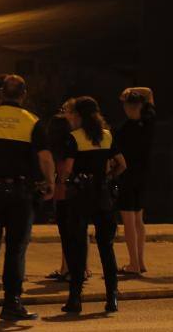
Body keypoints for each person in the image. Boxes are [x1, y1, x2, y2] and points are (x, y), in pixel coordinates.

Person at [0, 74, 55, 322]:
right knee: (16, 248)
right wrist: (51, 183)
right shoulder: (31, 121)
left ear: (0, 94)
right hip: (20, 193)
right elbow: (45, 157)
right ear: (23, 94)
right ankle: (12, 303)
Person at [58, 96, 126, 313]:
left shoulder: (74, 137)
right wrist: (108, 178)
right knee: (106, 247)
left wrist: (64, 181)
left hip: (80, 196)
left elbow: (68, 169)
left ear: (79, 115)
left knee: (77, 247)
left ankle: (75, 299)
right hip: (103, 195)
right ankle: (112, 297)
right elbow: (122, 164)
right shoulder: (106, 136)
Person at [116, 87, 156, 275]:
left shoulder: (124, 129)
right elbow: (148, 92)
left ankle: (133, 263)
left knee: (128, 220)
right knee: (139, 219)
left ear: (127, 106)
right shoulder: (148, 121)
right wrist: (131, 90)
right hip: (144, 175)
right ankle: (141, 261)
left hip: (127, 176)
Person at [45, 104, 75, 282]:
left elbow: (60, 172)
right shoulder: (73, 143)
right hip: (73, 192)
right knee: (74, 232)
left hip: (61, 192)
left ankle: (68, 269)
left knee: (65, 233)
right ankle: (70, 267)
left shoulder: (55, 149)